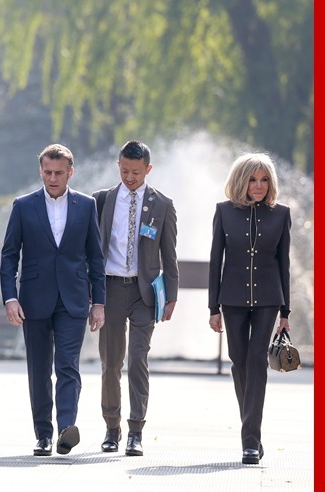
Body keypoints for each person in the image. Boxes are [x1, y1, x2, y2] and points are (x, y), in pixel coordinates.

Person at [0, 143, 106, 457]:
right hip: (33, 299)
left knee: (68, 366)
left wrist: (98, 302)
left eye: (59, 172)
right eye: (47, 172)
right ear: (40, 171)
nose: (52, 178)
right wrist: (10, 297)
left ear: (70, 172)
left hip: (73, 299)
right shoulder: (23, 205)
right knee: (39, 369)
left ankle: (65, 429)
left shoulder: (86, 205)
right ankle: (43, 435)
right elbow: (9, 256)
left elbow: (95, 257)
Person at [91, 140, 179, 456]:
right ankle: (111, 428)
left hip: (144, 294)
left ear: (148, 169)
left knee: (138, 360)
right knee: (111, 362)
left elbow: (169, 254)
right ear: (118, 165)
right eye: (125, 171)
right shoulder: (101, 200)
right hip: (111, 289)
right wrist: (92, 295)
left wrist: (171, 296)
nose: (130, 178)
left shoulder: (162, 205)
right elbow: (91, 250)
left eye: (136, 172)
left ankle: (136, 431)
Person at [208, 152, 291, 465]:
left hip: (268, 299)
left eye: (264, 179)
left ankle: (250, 443)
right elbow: (215, 261)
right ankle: (252, 431)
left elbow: (284, 264)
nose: (259, 185)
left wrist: (285, 313)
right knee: (239, 362)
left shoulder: (281, 214)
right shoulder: (223, 212)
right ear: (241, 180)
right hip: (231, 300)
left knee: (257, 362)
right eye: (253, 179)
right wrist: (213, 307)